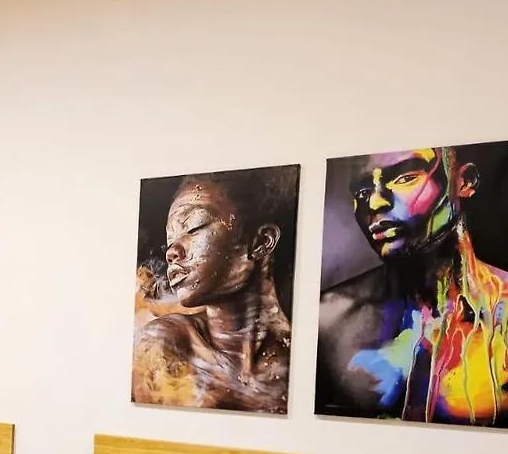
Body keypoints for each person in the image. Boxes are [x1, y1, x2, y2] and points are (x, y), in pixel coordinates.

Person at [317, 146, 508, 426]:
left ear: (464, 182)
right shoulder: (329, 318)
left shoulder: (502, 307)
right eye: (362, 192)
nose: (375, 203)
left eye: (405, 178)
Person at [131, 168, 297, 413]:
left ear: (261, 242)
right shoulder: (164, 343)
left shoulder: (306, 358)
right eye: (170, 240)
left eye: (193, 227)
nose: (172, 252)